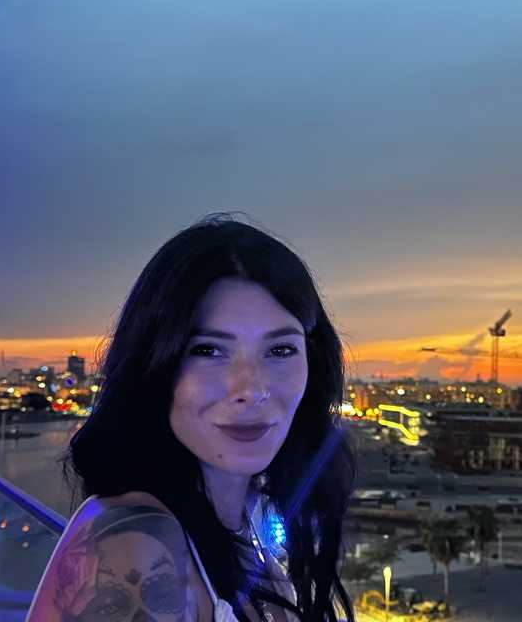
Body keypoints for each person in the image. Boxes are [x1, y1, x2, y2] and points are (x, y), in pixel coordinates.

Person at [26, 212, 357, 622]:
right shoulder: (137, 547)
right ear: (154, 367)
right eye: (208, 350)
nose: (252, 388)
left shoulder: (246, 518)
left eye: (280, 350)